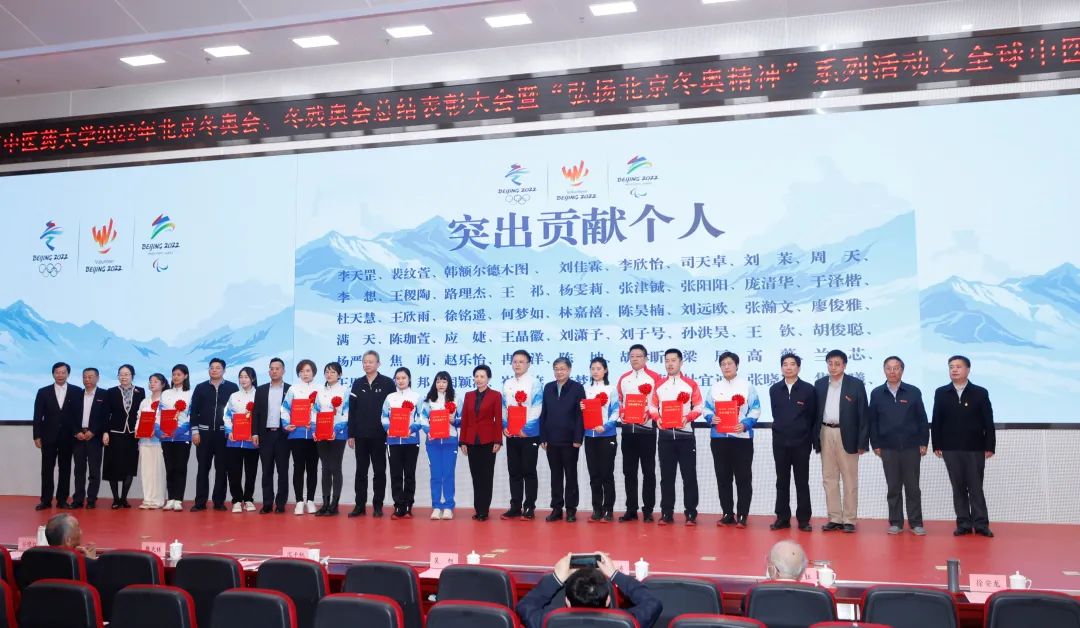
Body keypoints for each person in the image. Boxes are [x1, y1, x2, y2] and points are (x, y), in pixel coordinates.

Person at [932, 355, 995, 538]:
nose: (954, 370)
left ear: (968, 369)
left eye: (958, 366)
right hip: (950, 448)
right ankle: (964, 524)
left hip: (975, 447)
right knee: (958, 488)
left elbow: (988, 421)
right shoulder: (941, 392)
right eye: (951, 366)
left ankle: (981, 524)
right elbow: (936, 420)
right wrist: (936, 444)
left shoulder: (980, 392)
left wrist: (990, 445)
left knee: (976, 488)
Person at [516, 552, 662, 628]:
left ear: (567, 602)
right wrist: (614, 574)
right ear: (608, 600)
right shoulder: (626, 622)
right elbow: (653, 603)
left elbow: (525, 605)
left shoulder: (548, 621)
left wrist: (556, 578)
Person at [868, 356, 929, 536]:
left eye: (896, 368)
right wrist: (875, 444)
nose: (892, 371)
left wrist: (923, 442)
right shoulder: (877, 393)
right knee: (893, 487)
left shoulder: (913, 392)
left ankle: (916, 523)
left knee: (912, 487)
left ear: (902, 370)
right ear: (884, 370)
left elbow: (922, 419)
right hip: (888, 447)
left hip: (911, 447)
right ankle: (896, 522)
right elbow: (873, 421)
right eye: (889, 368)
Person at [813, 349, 868, 533]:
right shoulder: (820, 384)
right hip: (825, 432)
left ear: (844, 365)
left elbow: (863, 415)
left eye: (837, 364)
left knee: (849, 479)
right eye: (830, 363)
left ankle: (849, 519)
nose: (833, 367)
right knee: (829, 478)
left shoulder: (856, 384)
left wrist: (862, 442)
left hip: (848, 435)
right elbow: (815, 413)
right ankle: (834, 518)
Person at [705, 351, 761, 528]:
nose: (726, 367)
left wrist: (745, 424)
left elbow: (756, 409)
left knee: (743, 478)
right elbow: (706, 409)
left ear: (737, 365)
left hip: (741, 438)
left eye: (729, 363)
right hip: (719, 439)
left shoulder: (747, 386)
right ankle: (727, 513)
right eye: (723, 364)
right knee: (723, 478)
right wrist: (711, 418)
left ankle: (742, 514)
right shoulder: (714, 387)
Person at [650, 348, 704, 526]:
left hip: (686, 437)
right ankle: (667, 512)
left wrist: (687, 418)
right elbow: (652, 406)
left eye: (673, 360)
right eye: (667, 360)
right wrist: (657, 418)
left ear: (681, 362)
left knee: (689, 476)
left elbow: (699, 406)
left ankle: (691, 513)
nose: (669, 364)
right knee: (667, 477)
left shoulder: (690, 384)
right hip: (665, 437)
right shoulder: (659, 384)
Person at [767, 353, 816, 532]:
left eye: (792, 364)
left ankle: (803, 519)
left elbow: (812, 417)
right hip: (780, 442)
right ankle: (782, 517)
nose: (788, 367)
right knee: (782, 481)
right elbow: (776, 414)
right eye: (785, 364)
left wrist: (808, 438)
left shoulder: (808, 389)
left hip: (801, 443)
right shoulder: (774, 389)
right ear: (781, 368)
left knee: (802, 481)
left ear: (798, 367)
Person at [615, 344, 662, 522]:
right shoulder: (624, 378)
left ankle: (648, 510)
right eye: (632, 356)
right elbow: (619, 401)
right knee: (629, 471)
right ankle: (631, 509)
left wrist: (648, 414)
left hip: (647, 430)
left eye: (638, 356)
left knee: (648, 471)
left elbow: (659, 402)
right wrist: (622, 413)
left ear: (646, 358)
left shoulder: (655, 378)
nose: (634, 359)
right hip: (628, 431)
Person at [347, 350, 394, 518]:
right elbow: (352, 410)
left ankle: (378, 506)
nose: (367, 364)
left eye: (370, 361)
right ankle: (359, 505)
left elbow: (393, 410)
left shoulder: (388, 383)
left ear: (378, 364)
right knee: (361, 472)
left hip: (380, 435)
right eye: (365, 362)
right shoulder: (357, 384)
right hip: (360, 435)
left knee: (379, 471)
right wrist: (351, 434)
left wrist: (391, 430)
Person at [539, 357, 586, 523]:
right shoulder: (548, 387)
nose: (559, 372)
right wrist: (543, 437)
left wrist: (578, 437)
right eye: (556, 369)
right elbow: (544, 413)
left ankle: (571, 509)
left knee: (571, 475)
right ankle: (557, 509)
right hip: (551, 440)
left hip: (570, 440)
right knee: (556, 476)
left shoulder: (577, 388)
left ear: (569, 370)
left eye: (563, 369)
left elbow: (580, 415)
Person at [189, 358, 238, 512]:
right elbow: (193, 411)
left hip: (223, 435)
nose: (214, 370)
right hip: (203, 435)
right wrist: (195, 431)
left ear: (224, 370)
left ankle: (219, 502)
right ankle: (200, 502)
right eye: (212, 367)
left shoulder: (232, 387)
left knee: (221, 469)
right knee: (203, 469)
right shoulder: (200, 387)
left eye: (218, 368)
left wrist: (233, 431)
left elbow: (236, 411)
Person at [501, 349, 544, 520]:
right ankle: (515, 506)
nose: (517, 364)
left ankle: (529, 507)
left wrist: (526, 428)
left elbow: (537, 407)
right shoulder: (507, 383)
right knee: (514, 472)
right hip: (512, 435)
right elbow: (504, 407)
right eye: (515, 361)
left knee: (529, 471)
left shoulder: (535, 383)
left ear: (528, 364)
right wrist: (505, 426)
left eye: (521, 361)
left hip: (529, 435)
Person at [33, 362, 81, 510]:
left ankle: (62, 500)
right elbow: (37, 416)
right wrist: (36, 436)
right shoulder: (43, 392)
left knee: (65, 469)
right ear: (53, 374)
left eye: (63, 372)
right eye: (57, 372)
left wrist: (77, 431)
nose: (60, 375)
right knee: (47, 469)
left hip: (68, 437)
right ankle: (46, 500)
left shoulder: (76, 391)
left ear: (68, 374)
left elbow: (78, 415)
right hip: (48, 437)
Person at [458, 365, 503, 520]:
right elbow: (465, 419)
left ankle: (484, 510)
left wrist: (498, 440)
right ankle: (478, 509)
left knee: (486, 477)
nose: (479, 379)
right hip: (471, 441)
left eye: (482, 376)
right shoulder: (469, 395)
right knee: (476, 477)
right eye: (476, 376)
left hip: (488, 440)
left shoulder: (495, 395)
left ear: (488, 378)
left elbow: (498, 419)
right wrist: (462, 441)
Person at [382, 367, 423, 519]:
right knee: (396, 474)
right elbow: (384, 416)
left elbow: (421, 418)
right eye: (398, 378)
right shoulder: (390, 397)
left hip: (411, 440)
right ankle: (398, 505)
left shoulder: (417, 397)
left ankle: (408, 505)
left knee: (409, 474)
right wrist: (388, 429)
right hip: (393, 441)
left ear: (409, 379)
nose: (400, 381)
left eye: (403, 378)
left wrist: (411, 429)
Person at [420, 371, 461, 520]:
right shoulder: (428, 400)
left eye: (444, 381)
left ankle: (449, 506)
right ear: (435, 383)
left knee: (448, 474)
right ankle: (436, 506)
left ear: (448, 383)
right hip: (433, 442)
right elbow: (423, 418)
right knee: (436, 475)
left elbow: (463, 418)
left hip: (450, 441)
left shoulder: (456, 399)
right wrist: (428, 431)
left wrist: (454, 420)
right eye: (438, 382)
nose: (441, 384)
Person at [102, 364, 144, 510]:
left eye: (127, 374)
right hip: (115, 433)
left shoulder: (140, 391)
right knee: (113, 466)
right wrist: (105, 432)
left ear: (133, 376)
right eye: (121, 374)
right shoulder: (111, 392)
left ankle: (124, 498)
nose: (124, 377)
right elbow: (105, 414)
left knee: (129, 466)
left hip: (132, 434)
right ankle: (115, 499)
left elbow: (143, 413)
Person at [583, 357, 619, 522]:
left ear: (605, 370)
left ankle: (608, 509)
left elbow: (616, 411)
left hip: (606, 436)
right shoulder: (586, 389)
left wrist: (606, 426)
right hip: (590, 436)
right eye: (593, 368)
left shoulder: (611, 389)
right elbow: (582, 414)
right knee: (594, 475)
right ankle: (596, 509)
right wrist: (581, 408)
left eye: (599, 368)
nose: (595, 371)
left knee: (606, 474)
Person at [282, 359, 319, 515]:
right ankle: (299, 501)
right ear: (298, 373)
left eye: (308, 370)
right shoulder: (293, 389)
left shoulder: (320, 389)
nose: (305, 374)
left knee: (312, 468)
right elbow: (285, 409)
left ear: (313, 372)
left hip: (314, 435)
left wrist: (316, 425)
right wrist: (286, 424)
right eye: (302, 371)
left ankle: (310, 500)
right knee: (298, 468)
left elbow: (324, 410)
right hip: (296, 434)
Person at [254, 358, 291, 514]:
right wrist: (255, 433)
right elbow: (256, 414)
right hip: (266, 435)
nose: (274, 371)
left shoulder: (290, 389)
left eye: (277, 368)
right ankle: (267, 503)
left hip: (283, 435)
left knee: (283, 471)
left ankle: (281, 504)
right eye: (271, 368)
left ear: (283, 371)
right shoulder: (261, 390)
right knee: (266, 471)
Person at [314, 362, 349, 516]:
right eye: (327, 372)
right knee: (325, 468)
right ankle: (325, 503)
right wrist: (315, 429)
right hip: (321, 433)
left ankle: (334, 504)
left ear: (339, 375)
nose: (329, 374)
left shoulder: (345, 391)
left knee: (335, 467)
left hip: (338, 434)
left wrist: (336, 429)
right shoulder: (320, 391)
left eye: (333, 372)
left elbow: (346, 413)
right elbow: (315, 411)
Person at [224, 367, 259, 513]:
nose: (243, 380)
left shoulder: (259, 395)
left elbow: (261, 417)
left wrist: (256, 433)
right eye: (241, 377)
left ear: (253, 379)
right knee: (234, 471)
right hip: (234, 441)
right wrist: (229, 431)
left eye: (246, 377)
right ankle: (237, 500)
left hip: (252, 441)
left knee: (251, 472)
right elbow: (226, 415)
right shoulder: (234, 396)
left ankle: (249, 499)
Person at [72, 367, 108, 510]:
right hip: (79, 437)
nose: (87, 380)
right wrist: (76, 432)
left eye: (90, 377)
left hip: (95, 438)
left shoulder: (104, 394)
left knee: (94, 471)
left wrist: (93, 431)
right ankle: (78, 499)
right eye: (85, 377)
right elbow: (70, 416)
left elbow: (105, 417)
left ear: (97, 378)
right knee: (79, 471)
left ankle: (91, 499)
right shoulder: (76, 395)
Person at [158, 364, 193, 512]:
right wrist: (159, 431)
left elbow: (191, 416)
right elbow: (159, 414)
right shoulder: (165, 393)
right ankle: (170, 498)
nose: (176, 377)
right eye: (174, 374)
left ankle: (178, 499)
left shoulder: (190, 394)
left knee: (180, 468)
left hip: (182, 437)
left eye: (179, 374)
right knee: (170, 468)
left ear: (185, 376)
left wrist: (178, 431)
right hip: (166, 437)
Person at [135, 373, 168, 509]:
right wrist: (137, 430)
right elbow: (139, 418)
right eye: (150, 381)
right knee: (146, 471)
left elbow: (167, 420)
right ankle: (147, 499)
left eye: (155, 381)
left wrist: (157, 430)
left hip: (159, 441)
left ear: (163, 384)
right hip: (144, 440)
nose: (152, 383)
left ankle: (158, 500)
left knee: (158, 471)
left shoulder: (166, 401)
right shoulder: (145, 401)